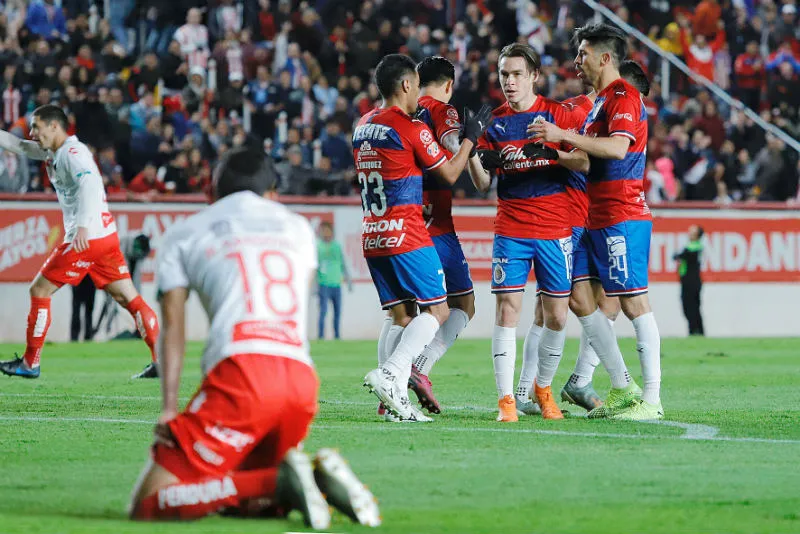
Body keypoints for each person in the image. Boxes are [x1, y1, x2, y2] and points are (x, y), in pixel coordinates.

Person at [128, 147, 380, 528]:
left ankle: (283, 481)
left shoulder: (185, 232)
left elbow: (173, 328)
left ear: (211, 193)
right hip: (300, 382)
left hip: (241, 376)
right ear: (274, 193)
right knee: (251, 505)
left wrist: (168, 407)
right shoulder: (298, 227)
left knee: (149, 503)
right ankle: (305, 481)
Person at [530, 24, 662, 421]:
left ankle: (651, 400)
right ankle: (622, 386)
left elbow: (618, 148)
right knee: (578, 296)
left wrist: (562, 132)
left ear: (605, 58)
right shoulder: (602, 103)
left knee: (634, 302)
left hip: (622, 214)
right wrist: (552, 149)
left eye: (583, 53)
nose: (576, 61)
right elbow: (589, 159)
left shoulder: (624, 95)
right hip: (595, 215)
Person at [356, 54, 491, 422]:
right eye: (413, 84)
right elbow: (448, 173)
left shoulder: (363, 125)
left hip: (372, 231)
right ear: (405, 85)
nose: (418, 92)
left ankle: (393, 399)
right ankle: (392, 374)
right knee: (439, 310)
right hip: (408, 230)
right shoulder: (410, 127)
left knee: (399, 315)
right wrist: (470, 139)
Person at [467, 43, 590, 421]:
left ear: (534, 76)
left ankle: (542, 389)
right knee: (508, 310)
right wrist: (471, 147)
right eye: (504, 74)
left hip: (555, 227)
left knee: (556, 316)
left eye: (517, 73)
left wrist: (554, 150)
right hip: (511, 228)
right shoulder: (495, 123)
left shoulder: (557, 114)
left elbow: (584, 161)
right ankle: (506, 400)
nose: (510, 81)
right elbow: (480, 183)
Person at [0, 105, 159, 379]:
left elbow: (89, 186)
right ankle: (161, 361)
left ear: (54, 126)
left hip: (87, 238)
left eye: (36, 126)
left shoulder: (72, 154)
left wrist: (83, 227)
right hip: (105, 237)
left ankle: (30, 363)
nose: (32, 132)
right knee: (128, 297)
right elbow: (20, 146)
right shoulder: (55, 150)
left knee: (39, 291)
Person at [398, 56, 478, 415]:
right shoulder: (443, 109)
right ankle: (419, 368)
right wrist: (471, 144)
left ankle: (393, 390)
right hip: (437, 225)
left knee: (404, 312)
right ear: (449, 84)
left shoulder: (406, 111)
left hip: (407, 216)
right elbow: (450, 145)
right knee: (463, 305)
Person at [316, 221, 352, 340]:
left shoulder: (337, 246)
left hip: (336, 284)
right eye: (324, 231)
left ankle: (337, 337)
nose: (326, 233)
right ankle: (320, 337)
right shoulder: (318, 246)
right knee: (323, 312)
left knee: (337, 313)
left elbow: (343, 264)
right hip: (323, 284)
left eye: (328, 230)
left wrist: (348, 280)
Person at [674, 225, 705, 336]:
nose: (689, 232)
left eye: (693, 231)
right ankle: (698, 331)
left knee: (691, 307)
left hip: (691, 282)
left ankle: (695, 331)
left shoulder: (694, 248)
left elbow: (681, 255)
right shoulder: (692, 247)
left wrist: (678, 256)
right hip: (691, 281)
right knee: (693, 307)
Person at [71, 276, 96, 342]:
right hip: (79, 281)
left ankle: (86, 337)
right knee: (78, 312)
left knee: (87, 312)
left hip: (88, 282)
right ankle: (75, 337)